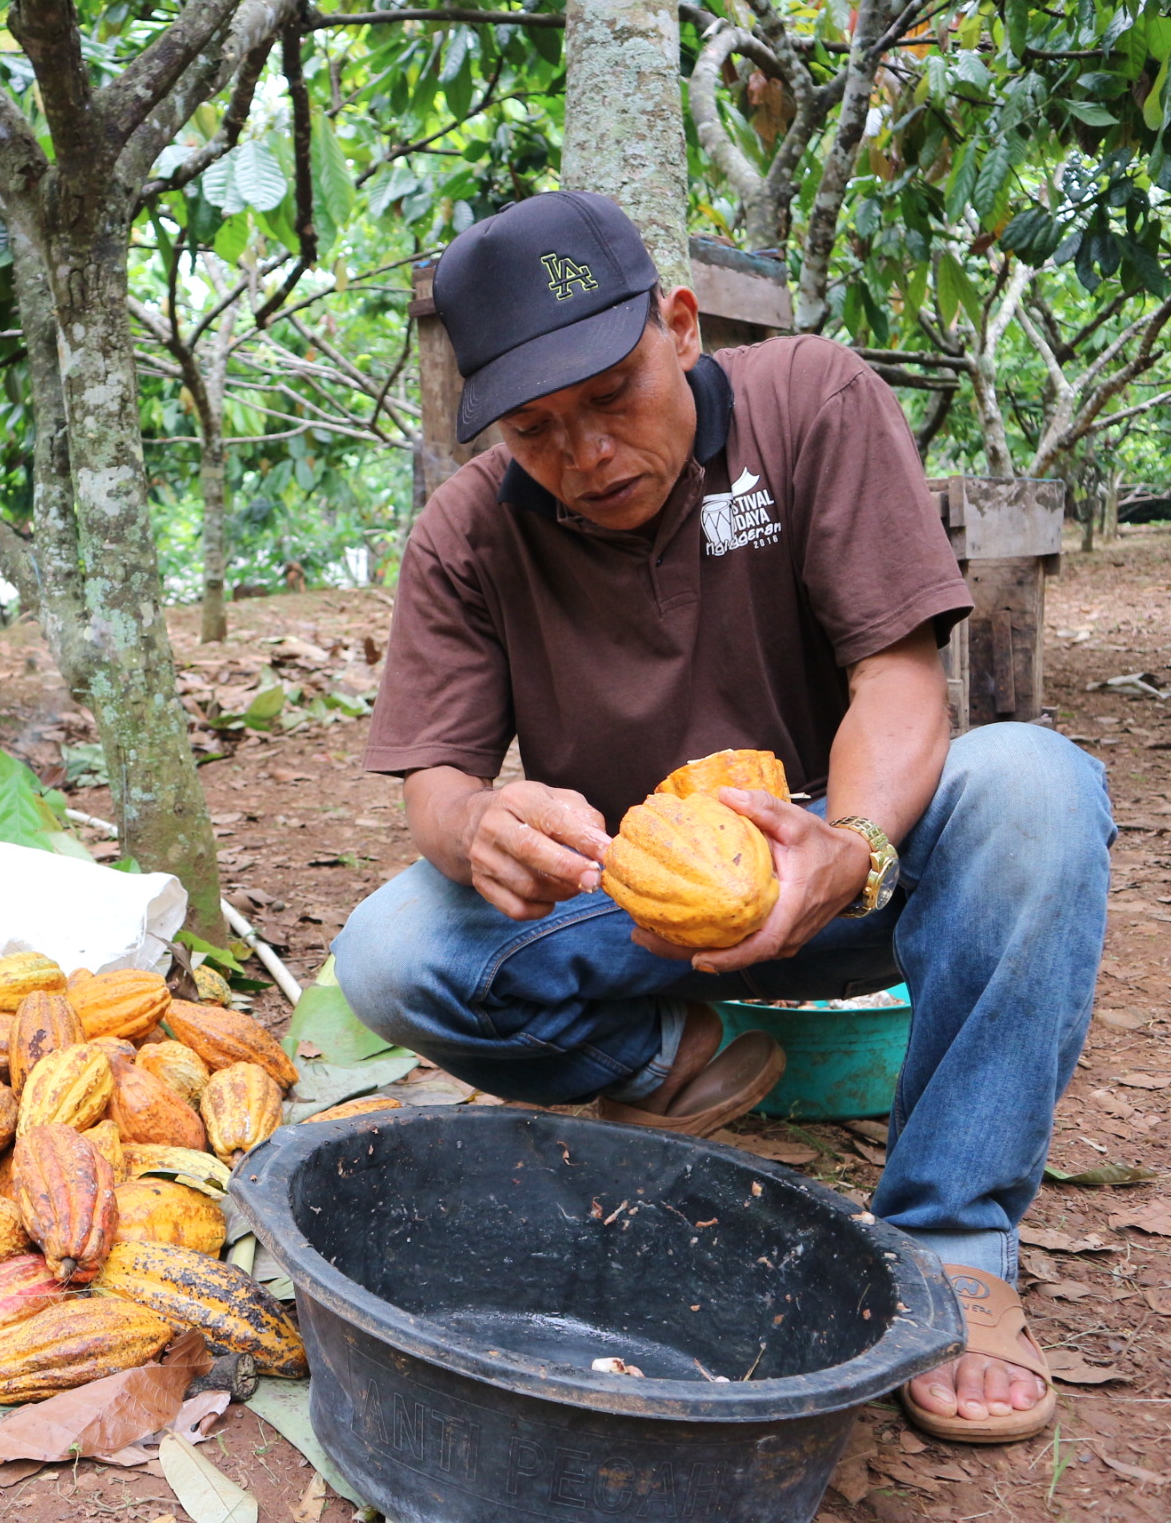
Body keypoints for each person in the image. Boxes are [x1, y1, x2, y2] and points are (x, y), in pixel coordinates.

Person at [334, 192, 1111, 1445]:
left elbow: (901, 678)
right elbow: (437, 785)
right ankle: (673, 1063)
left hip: (855, 855)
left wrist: (848, 846)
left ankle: (955, 1240)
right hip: (631, 894)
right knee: (388, 953)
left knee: (1033, 785)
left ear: (680, 328)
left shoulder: (811, 401)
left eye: (608, 396)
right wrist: (479, 821)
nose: (583, 452)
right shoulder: (468, 534)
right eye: (535, 429)